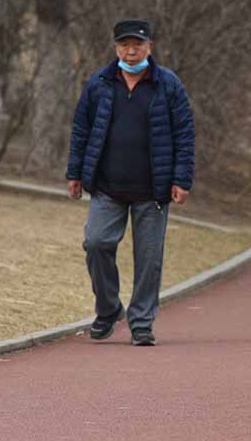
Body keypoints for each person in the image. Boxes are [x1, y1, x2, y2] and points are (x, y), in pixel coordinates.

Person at [66, 19, 195, 346]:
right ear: (116, 48)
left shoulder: (167, 84)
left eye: (137, 44)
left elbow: (184, 134)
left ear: (149, 46)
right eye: (124, 45)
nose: (131, 50)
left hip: (153, 190)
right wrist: (75, 172)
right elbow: (81, 129)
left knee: (149, 259)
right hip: (107, 186)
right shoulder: (99, 82)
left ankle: (141, 323)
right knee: (95, 243)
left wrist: (182, 178)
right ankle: (108, 309)